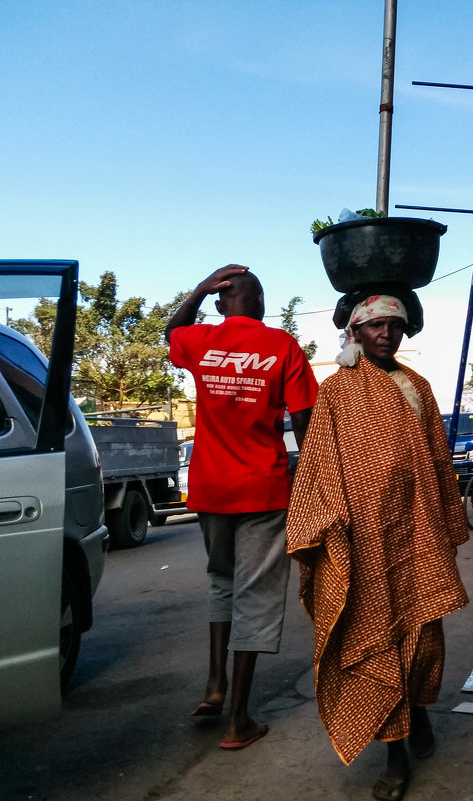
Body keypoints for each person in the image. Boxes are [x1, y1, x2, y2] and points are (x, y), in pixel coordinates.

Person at [286, 294, 469, 801]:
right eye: (376, 326)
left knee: (424, 634)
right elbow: (319, 463)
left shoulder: (419, 387)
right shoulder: (337, 392)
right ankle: (394, 753)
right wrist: (326, 523)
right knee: (378, 640)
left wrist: (449, 525)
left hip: (419, 531)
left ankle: (421, 712)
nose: (386, 334)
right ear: (356, 332)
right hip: (364, 539)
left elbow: (438, 460)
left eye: (395, 326)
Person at [165, 264, 317, 750]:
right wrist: (313, 483)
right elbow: (306, 421)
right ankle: (238, 721)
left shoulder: (200, 339)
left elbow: (172, 332)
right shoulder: (283, 346)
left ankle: (214, 685)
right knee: (256, 595)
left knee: (221, 582)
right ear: (260, 304)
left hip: (211, 489)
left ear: (220, 302)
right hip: (263, 489)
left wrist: (198, 288)